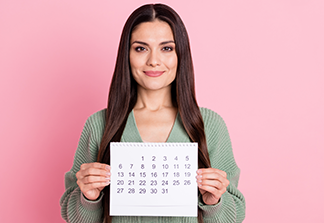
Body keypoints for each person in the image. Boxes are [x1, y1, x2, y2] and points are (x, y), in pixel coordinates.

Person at [60, 3, 245, 223]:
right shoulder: (100, 124)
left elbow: (234, 216)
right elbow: (74, 216)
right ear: (126, 55)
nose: (153, 60)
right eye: (141, 48)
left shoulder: (209, 125)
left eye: (166, 48)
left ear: (180, 54)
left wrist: (214, 202)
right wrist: (88, 198)